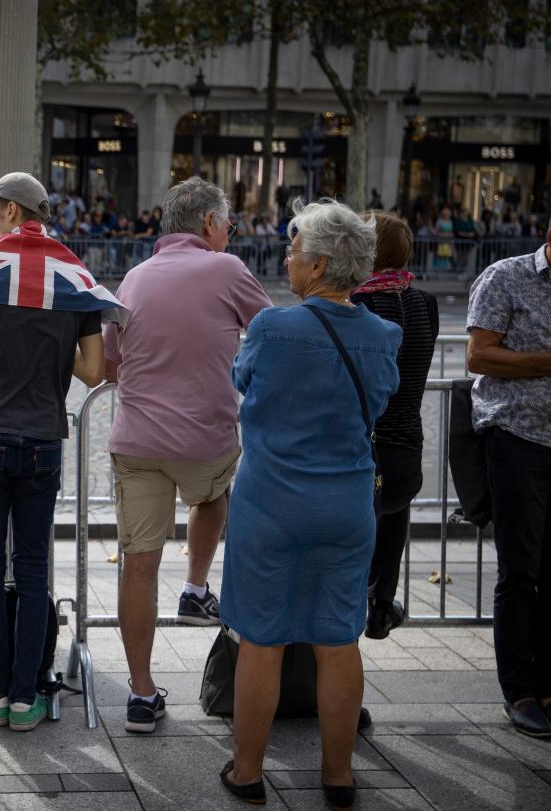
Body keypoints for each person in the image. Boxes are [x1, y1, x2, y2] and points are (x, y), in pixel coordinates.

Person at [220, 200, 400, 808]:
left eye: (294, 250)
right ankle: (339, 775)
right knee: (337, 640)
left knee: (262, 640)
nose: (287, 259)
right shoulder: (384, 336)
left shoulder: (273, 327)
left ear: (320, 264)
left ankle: (247, 773)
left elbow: (242, 381)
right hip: (347, 505)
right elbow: (378, 404)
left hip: (271, 503)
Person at [0, 172, 117, 732]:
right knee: (33, 571)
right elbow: (92, 370)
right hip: (40, 440)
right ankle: (28, 697)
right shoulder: (75, 279)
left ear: (11, 211)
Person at [102, 177, 271, 733]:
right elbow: (270, 335)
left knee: (139, 564)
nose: (230, 232)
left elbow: (110, 366)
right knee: (217, 490)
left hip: (139, 442)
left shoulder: (132, 278)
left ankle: (141, 693)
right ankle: (196, 587)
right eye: (228, 223)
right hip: (207, 440)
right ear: (208, 224)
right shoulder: (227, 269)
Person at [467, 197, 551, 739]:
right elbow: (479, 358)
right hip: (518, 441)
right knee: (522, 572)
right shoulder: (505, 278)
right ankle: (520, 692)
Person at [351, 212, 439, 640]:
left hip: (366, 449)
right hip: (408, 448)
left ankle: (350, 622)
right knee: (395, 518)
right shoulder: (426, 303)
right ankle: (382, 605)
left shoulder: (358, 305)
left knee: (351, 548)